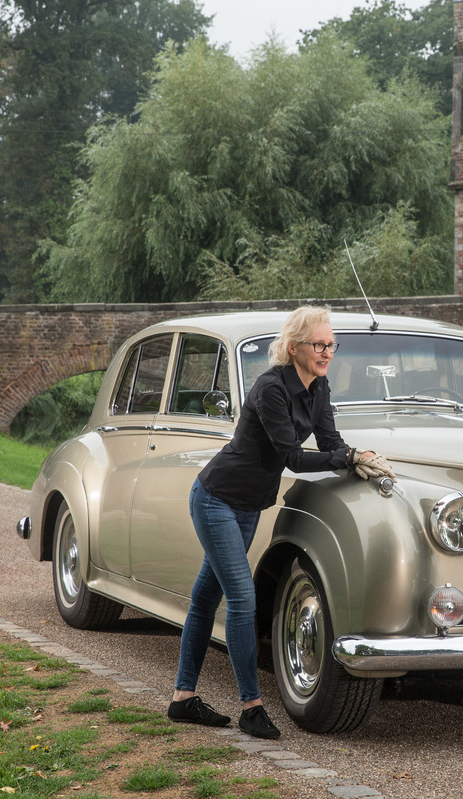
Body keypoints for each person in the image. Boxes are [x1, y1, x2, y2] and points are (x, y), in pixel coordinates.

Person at [167, 306, 395, 739]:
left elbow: (329, 442)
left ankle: (182, 698)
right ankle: (252, 707)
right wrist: (345, 458)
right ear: (294, 348)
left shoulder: (319, 386)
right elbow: (291, 455)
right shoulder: (271, 387)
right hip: (215, 498)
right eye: (319, 345)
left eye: (331, 345)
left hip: (250, 504)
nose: (327, 352)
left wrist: (356, 459)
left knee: (203, 598)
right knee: (242, 598)